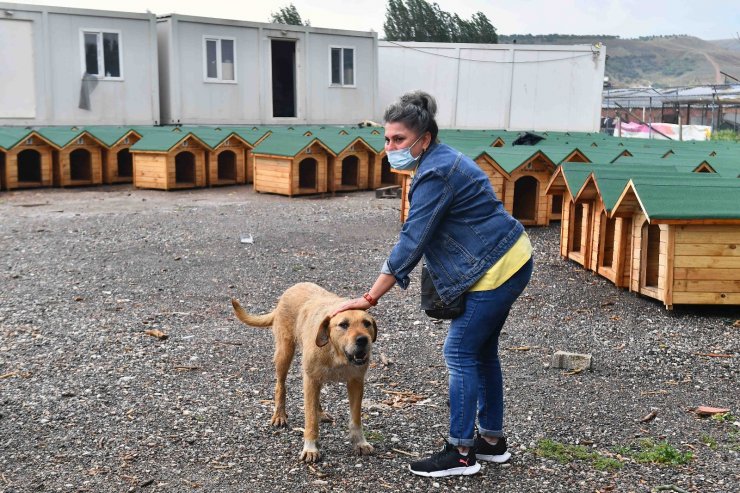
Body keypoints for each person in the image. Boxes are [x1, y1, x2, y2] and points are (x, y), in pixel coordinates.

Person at [332, 90, 533, 477]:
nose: (390, 147)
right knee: (481, 349)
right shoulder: (437, 160)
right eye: (387, 139)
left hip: (497, 267)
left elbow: (413, 239)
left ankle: (460, 453)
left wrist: (369, 297)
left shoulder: (436, 172)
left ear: (423, 139)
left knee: (458, 351)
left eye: (399, 140)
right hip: (511, 256)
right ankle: (491, 441)